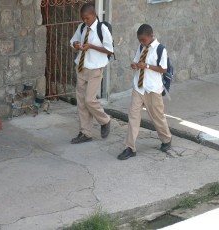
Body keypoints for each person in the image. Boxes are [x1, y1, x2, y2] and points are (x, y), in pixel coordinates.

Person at [117, 24, 172, 160]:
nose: (141, 43)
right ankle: (130, 147)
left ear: (151, 36)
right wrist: (135, 65)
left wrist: (146, 66)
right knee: (133, 116)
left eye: (143, 40)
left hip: (153, 88)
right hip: (139, 87)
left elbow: (164, 69)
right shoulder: (141, 47)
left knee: (157, 116)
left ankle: (166, 139)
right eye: (139, 40)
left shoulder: (160, 49)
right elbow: (137, 61)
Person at [70, 3, 113, 144]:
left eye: (87, 18)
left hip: (95, 68)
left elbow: (109, 49)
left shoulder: (102, 29)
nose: (85, 21)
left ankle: (104, 120)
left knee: (89, 100)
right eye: (83, 18)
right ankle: (85, 132)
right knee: (81, 102)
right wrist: (76, 44)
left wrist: (92, 46)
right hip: (82, 67)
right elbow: (72, 40)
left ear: (94, 15)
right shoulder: (82, 27)